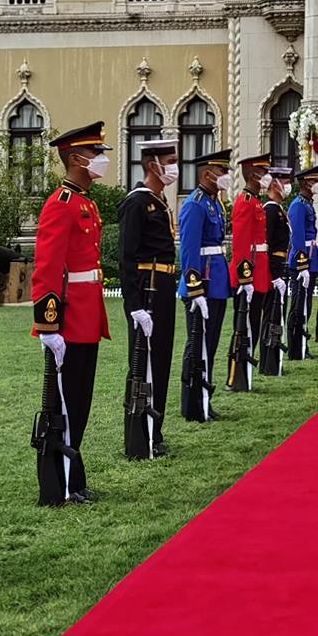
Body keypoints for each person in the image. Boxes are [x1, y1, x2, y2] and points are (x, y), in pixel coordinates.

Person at [30, 123, 109, 505]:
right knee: (65, 402)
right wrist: (49, 325)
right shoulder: (61, 203)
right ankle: (59, 481)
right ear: (76, 158)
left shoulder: (85, 202)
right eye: (96, 153)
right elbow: (47, 266)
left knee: (79, 401)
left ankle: (73, 476)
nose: (101, 160)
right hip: (70, 316)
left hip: (87, 313)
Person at [116, 143, 177, 460]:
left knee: (161, 359)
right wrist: (134, 305)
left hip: (163, 285)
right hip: (147, 287)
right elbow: (126, 258)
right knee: (143, 361)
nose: (175, 167)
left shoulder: (159, 200)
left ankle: (156, 430)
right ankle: (139, 436)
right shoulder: (137, 202)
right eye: (170, 161)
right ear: (153, 165)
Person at [178, 150, 232, 421]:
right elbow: (189, 250)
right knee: (197, 343)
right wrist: (195, 288)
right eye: (222, 171)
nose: (226, 176)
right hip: (203, 283)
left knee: (209, 344)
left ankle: (204, 400)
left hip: (217, 280)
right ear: (207, 174)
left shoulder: (214, 203)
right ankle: (193, 404)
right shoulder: (195, 204)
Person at [225, 154, 269, 393]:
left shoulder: (256, 201)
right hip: (249, 273)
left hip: (258, 270)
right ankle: (236, 376)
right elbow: (241, 244)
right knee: (243, 326)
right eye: (264, 172)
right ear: (253, 175)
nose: (267, 176)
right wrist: (245, 278)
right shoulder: (245, 201)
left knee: (253, 323)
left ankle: (246, 375)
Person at [285, 163, 318, 359]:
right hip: (302, 260)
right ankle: (295, 347)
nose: (317, 184)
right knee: (298, 306)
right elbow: (297, 237)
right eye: (314, 181)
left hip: (310, 257)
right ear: (305, 183)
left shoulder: (307, 203)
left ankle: (303, 346)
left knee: (306, 306)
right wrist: (302, 264)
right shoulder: (298, 205)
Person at [256, 164, 289, 372]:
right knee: (271, 315)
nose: (288, 185)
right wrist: (274, 274)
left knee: (278, 314)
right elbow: (266, 244)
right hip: (272, 270)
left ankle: (274, 360)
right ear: (275, 184)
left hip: (279, 267)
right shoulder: (270, 209)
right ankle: (268, 361)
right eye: (284, 181)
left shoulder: (278, 209)